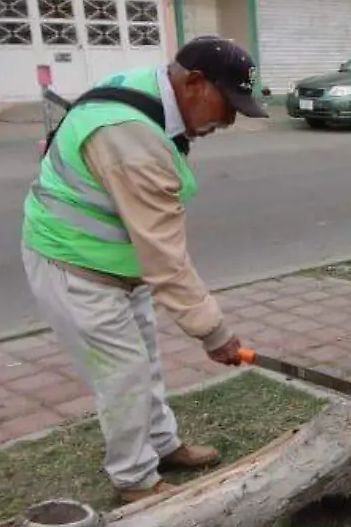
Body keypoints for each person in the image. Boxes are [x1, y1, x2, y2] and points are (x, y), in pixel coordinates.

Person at [21, 36, 269, 503]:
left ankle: (161, 444)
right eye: (228, 104)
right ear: (194, 83)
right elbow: (165, 258)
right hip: (75, 264)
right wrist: (214, 333)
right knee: (124, 373)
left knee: (145, 360)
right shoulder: (131, 140)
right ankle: (133, 480)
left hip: (117, 261)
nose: (230, 119)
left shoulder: (152, 91)